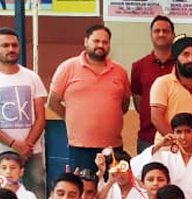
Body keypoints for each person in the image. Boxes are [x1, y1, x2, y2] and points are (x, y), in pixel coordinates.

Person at [47, 24, 130, 175]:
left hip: (113, 147)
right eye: (96, 41)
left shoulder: (120, 71)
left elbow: (124, 104)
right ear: (86, 41)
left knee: (113, 186)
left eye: (105, 42)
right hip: (80, 148)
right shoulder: (68, 68)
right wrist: (71, 118)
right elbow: (53, 102)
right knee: (82, 186)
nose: (100, 45)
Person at [0, 27, 47, 197]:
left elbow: (40, 117)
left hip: (32, 153)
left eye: (14, 45)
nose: (11, 49)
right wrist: (14, 144)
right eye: (5, 45)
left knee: (36, 196)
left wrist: (28, 145)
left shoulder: (32, 77)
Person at [151, 36, 192, 156]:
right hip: (169, 150)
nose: (190, 59)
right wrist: (178, 143)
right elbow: (157, 118)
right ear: (176, 58)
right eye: (185, 55)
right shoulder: (163, 83)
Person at [130, 15, 176, 153]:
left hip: (176, 137)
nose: (161, 34)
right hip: (147, 138)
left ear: (173, 35)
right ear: (151, 35)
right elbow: (139, 102)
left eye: (166, 31)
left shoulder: (181, 66)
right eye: (157, 31)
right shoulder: (139, 66)